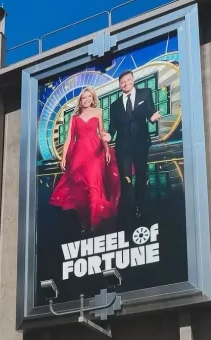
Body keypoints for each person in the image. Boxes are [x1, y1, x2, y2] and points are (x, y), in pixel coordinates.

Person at [50, 87, 120, 234]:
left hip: (95, 152)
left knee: (94, 186)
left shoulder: (98, 112)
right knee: (81, 189)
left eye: (89, 96)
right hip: (80, 155)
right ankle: (83, 219)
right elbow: (69, 137)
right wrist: (63, 157)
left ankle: (94, 223)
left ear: (92, 98)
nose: (86, 99)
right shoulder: (74, 117)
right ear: (80, 100)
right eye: (84, 97)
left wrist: (107, 149)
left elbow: (101, 132)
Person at [106, 70, 161, 220]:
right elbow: (113, 126)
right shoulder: (114, 105)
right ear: (119, 85)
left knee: (141, 176)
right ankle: (129, 208)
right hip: (123, 147)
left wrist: (152, 117)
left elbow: (150, 110)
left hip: (141, 143)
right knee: (126, 179)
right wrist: (109, 135)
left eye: (128, 80)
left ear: (133, 79)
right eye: (123, 82)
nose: (126, 83)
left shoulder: (145, 93)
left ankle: (139, 206)